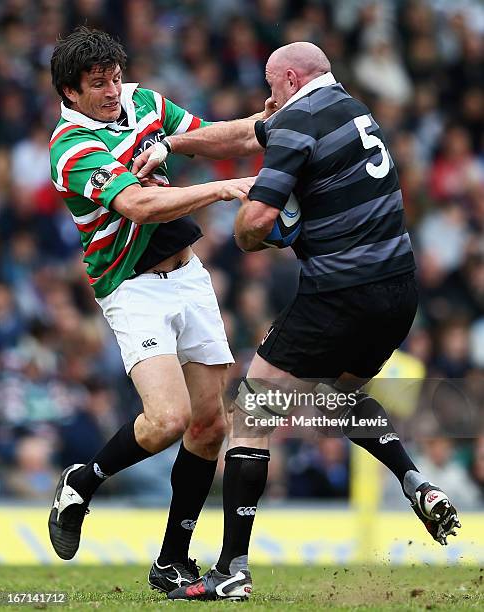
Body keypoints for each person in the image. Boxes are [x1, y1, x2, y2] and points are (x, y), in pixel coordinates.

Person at [134, 41, 461, 602]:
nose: (266, 101)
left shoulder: (297, 122)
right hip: (399, 291)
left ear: (287, 80)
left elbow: (255, 222)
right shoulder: (352, 111)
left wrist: (251, 231)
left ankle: (232, 566)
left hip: (340, 291)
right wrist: (169, 145)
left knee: (255, 405)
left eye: (271, 89)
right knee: (335, 398)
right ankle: (415, 480)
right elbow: (242, 137)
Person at [47, 26, 260, 593]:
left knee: (211, 426)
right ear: (70, 92)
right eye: (98, 84)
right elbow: (137, 203)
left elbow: (211, 136)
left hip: (189, 276)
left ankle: (171, 562)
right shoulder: (70, 149)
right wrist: (221, 190)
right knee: (168, 420)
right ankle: (84, 480)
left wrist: (274, 124)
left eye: (115, 77)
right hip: (131, 287)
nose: (113, 90)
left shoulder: (141, 100)